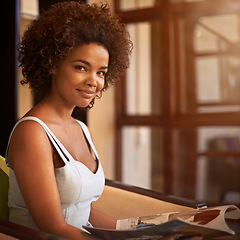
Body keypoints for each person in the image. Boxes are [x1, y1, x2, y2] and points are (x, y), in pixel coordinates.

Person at [5, 1, 202, 240]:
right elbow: (53, 227)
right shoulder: (32, 133)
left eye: (101, 72)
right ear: (53, 64)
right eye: (81, 67)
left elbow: (84, 210)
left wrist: (142, 233)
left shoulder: (81, 129)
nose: (94, 82)